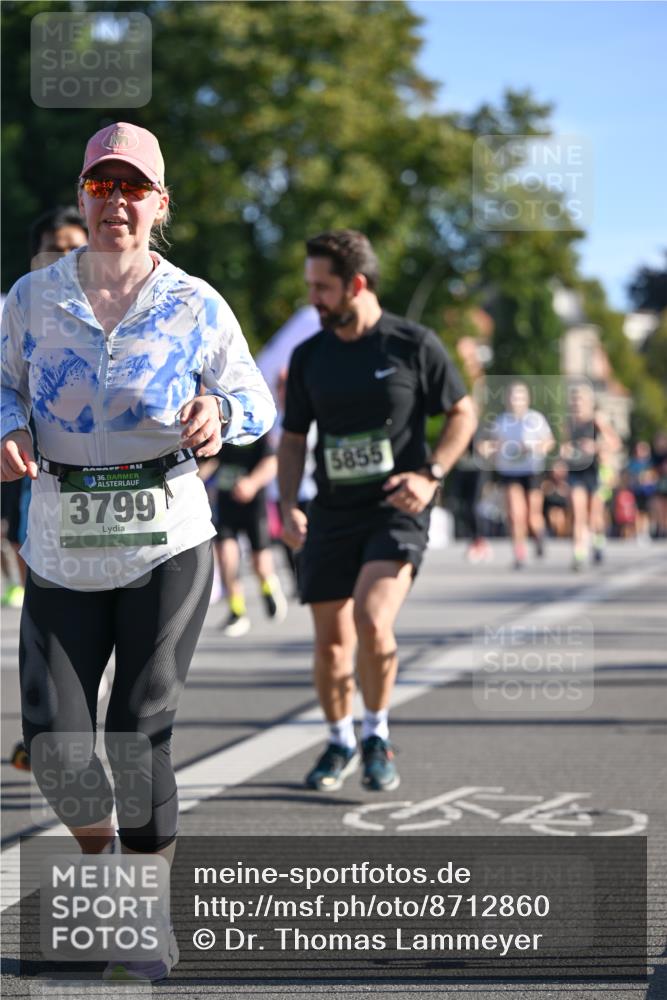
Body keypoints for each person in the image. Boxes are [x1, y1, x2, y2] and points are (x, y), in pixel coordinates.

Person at [0, 122, 275, 981]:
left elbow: (253, 398)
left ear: (160, 204)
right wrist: (9, 423)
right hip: (60, 539)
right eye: (101, 187)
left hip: (166, 534)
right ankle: (103, 864)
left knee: (137, 732)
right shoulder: (31, 298)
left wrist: (219, 416)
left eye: (133, 188)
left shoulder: (194, 302)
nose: (116, 202)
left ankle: (142, 915)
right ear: (84, 198)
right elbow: (1, 379)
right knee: (53, 740)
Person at [278, 230, 476, 793]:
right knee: (330, 645)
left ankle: (376, 733)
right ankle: (339, 739)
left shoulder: (412, 344)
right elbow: (293, 440)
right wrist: (290, 504)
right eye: (310, 285)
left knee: (371, 618)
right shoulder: (308, 355)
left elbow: (462, 413)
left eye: (322, 288)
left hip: (396, 509)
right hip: (331, 514)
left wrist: (430, 473)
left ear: (356, 286)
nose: (312, 298)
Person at [200, 433, 287, 636]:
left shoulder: (256, 428)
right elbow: (209, 461)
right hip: (225, 501)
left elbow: (271, 461)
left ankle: (268, 587)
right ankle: (237, 611)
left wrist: (252, 483)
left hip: (253, 503)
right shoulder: (220, 432)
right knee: (226, 555)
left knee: (259, 562)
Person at [480, 382, 555, 569]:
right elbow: (492, 443)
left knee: (532, 516)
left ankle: (538, 536)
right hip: (509, 471)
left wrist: (536, 448)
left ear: (527, 399)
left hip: (531, 470)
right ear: (507, 400)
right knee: (515, 513)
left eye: (520, 397)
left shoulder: (535, 419)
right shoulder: (501, 421)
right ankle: (519, 554)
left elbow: (549, 442)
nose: (516, 401)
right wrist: (488, 449)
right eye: (513, 397)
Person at [561, 384, 620, 570]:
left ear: (589, 402)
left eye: (581, 400)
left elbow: (615, 443)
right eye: (574, 400)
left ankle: (598, 541)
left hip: (594, 471)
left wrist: (594, 447)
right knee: (578, 514)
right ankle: (579, 555)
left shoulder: (596, 421)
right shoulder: (567, 423)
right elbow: (562, 447)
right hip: (575, 472)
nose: (577, 404)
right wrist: (565, 451)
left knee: (595, 515)